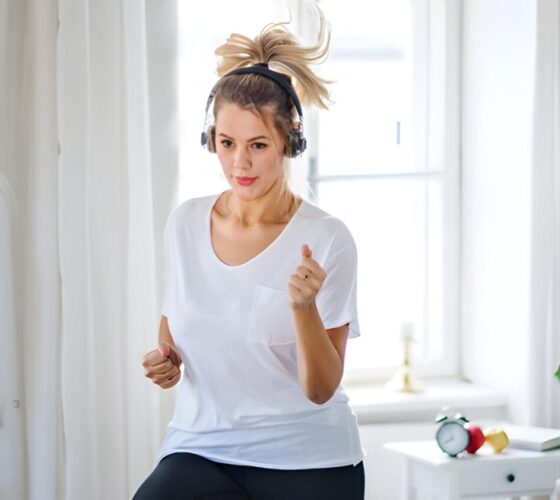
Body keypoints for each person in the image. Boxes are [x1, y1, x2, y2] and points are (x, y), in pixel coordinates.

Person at [133, 6, 365, 500]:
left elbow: (321, 389)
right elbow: (172, 339)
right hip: (203, 447)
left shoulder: (327, 239)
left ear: (289, 142)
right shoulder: (185, 224)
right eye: (227, 142)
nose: (240, 162)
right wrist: (165, 363)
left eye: (258, 144)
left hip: (310, 457)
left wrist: (302, 309)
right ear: (210, 140)